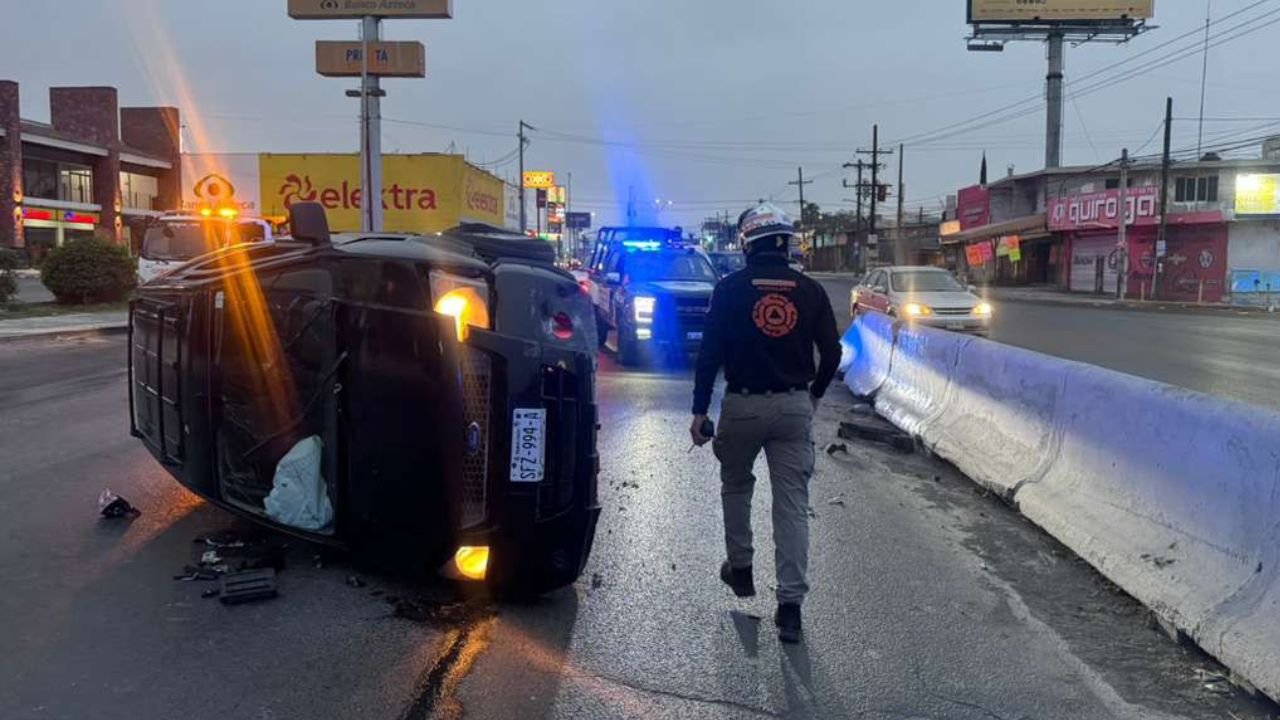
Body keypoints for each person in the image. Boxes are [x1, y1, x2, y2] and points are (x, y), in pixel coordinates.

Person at [690, 202, 841, 644]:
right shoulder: (810, 291)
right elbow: (833, 353)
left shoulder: (729, 289)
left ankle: (740, 568)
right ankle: (790, 608)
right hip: (794, 407)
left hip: (743, 406)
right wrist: (813, 396)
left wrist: (700, 411)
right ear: (787, 245)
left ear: (747, 245)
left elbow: (710, 354)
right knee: (792, 505)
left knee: (737, 485)